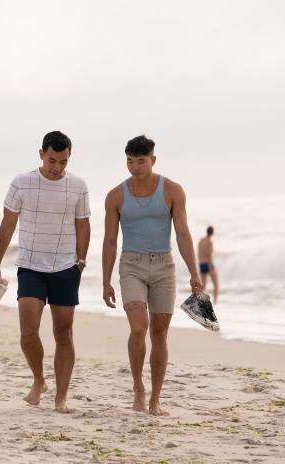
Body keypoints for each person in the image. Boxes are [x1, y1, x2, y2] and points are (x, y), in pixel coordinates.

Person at [0, 131, 91, 414]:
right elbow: (7, 224)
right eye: (52, 160)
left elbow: (83, 225)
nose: (57, 167)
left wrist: (80, 262)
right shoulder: (22, 183)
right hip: (31, 266)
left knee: (63, 331)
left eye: (63, 161)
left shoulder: (78, 186)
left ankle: (61, 397)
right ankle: (39, 380)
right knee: (28, 331)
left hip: (65, 267)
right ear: (41, 154)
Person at [101, 134, 202, 416]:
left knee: (159, 333)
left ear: (153, 160)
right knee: (138, 328)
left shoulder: (172, 190)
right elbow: (110, 240)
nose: (135, 167)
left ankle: (156, 398)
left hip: (164, 266)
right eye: (130, 161)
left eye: (141, 161)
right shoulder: (115, 196)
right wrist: (106, 279)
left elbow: (182, 233)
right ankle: (138, 388)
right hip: (131, 264)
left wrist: (194, 272)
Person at [198, 226, 219, 303]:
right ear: (212, 232)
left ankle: (200, 302)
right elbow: (209, 255)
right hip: (208, 264)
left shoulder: (201, 240)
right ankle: (215, 302)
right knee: (216, 284)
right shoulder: (209, 241)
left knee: (203, 286)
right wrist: (211, 267)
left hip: (201, 264)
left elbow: (199, 253)